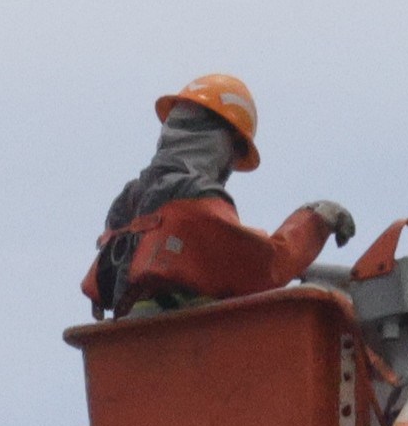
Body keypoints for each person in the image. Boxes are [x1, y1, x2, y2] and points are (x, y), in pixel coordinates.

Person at [85, 73, 353, 317]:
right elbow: (265, 265)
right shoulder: (193, 196)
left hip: (133, 348)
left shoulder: (128, 202)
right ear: (222, 143)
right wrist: (316, 219)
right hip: (192, 346)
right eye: (235, 151)